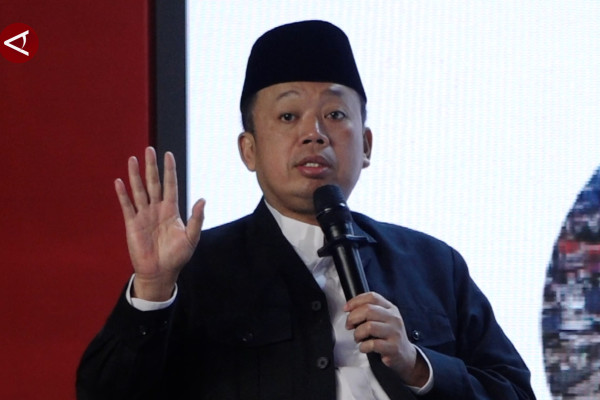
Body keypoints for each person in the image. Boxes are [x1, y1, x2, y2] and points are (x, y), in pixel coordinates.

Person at [76, 20, 536, 399]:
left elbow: (514, 391)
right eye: (288, 116)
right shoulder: (195, 270)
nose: (314, 133)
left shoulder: (434, 266)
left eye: (335, 115)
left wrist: (418, 366)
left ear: (366, 144)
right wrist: (153, 290)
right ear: (249, 149)